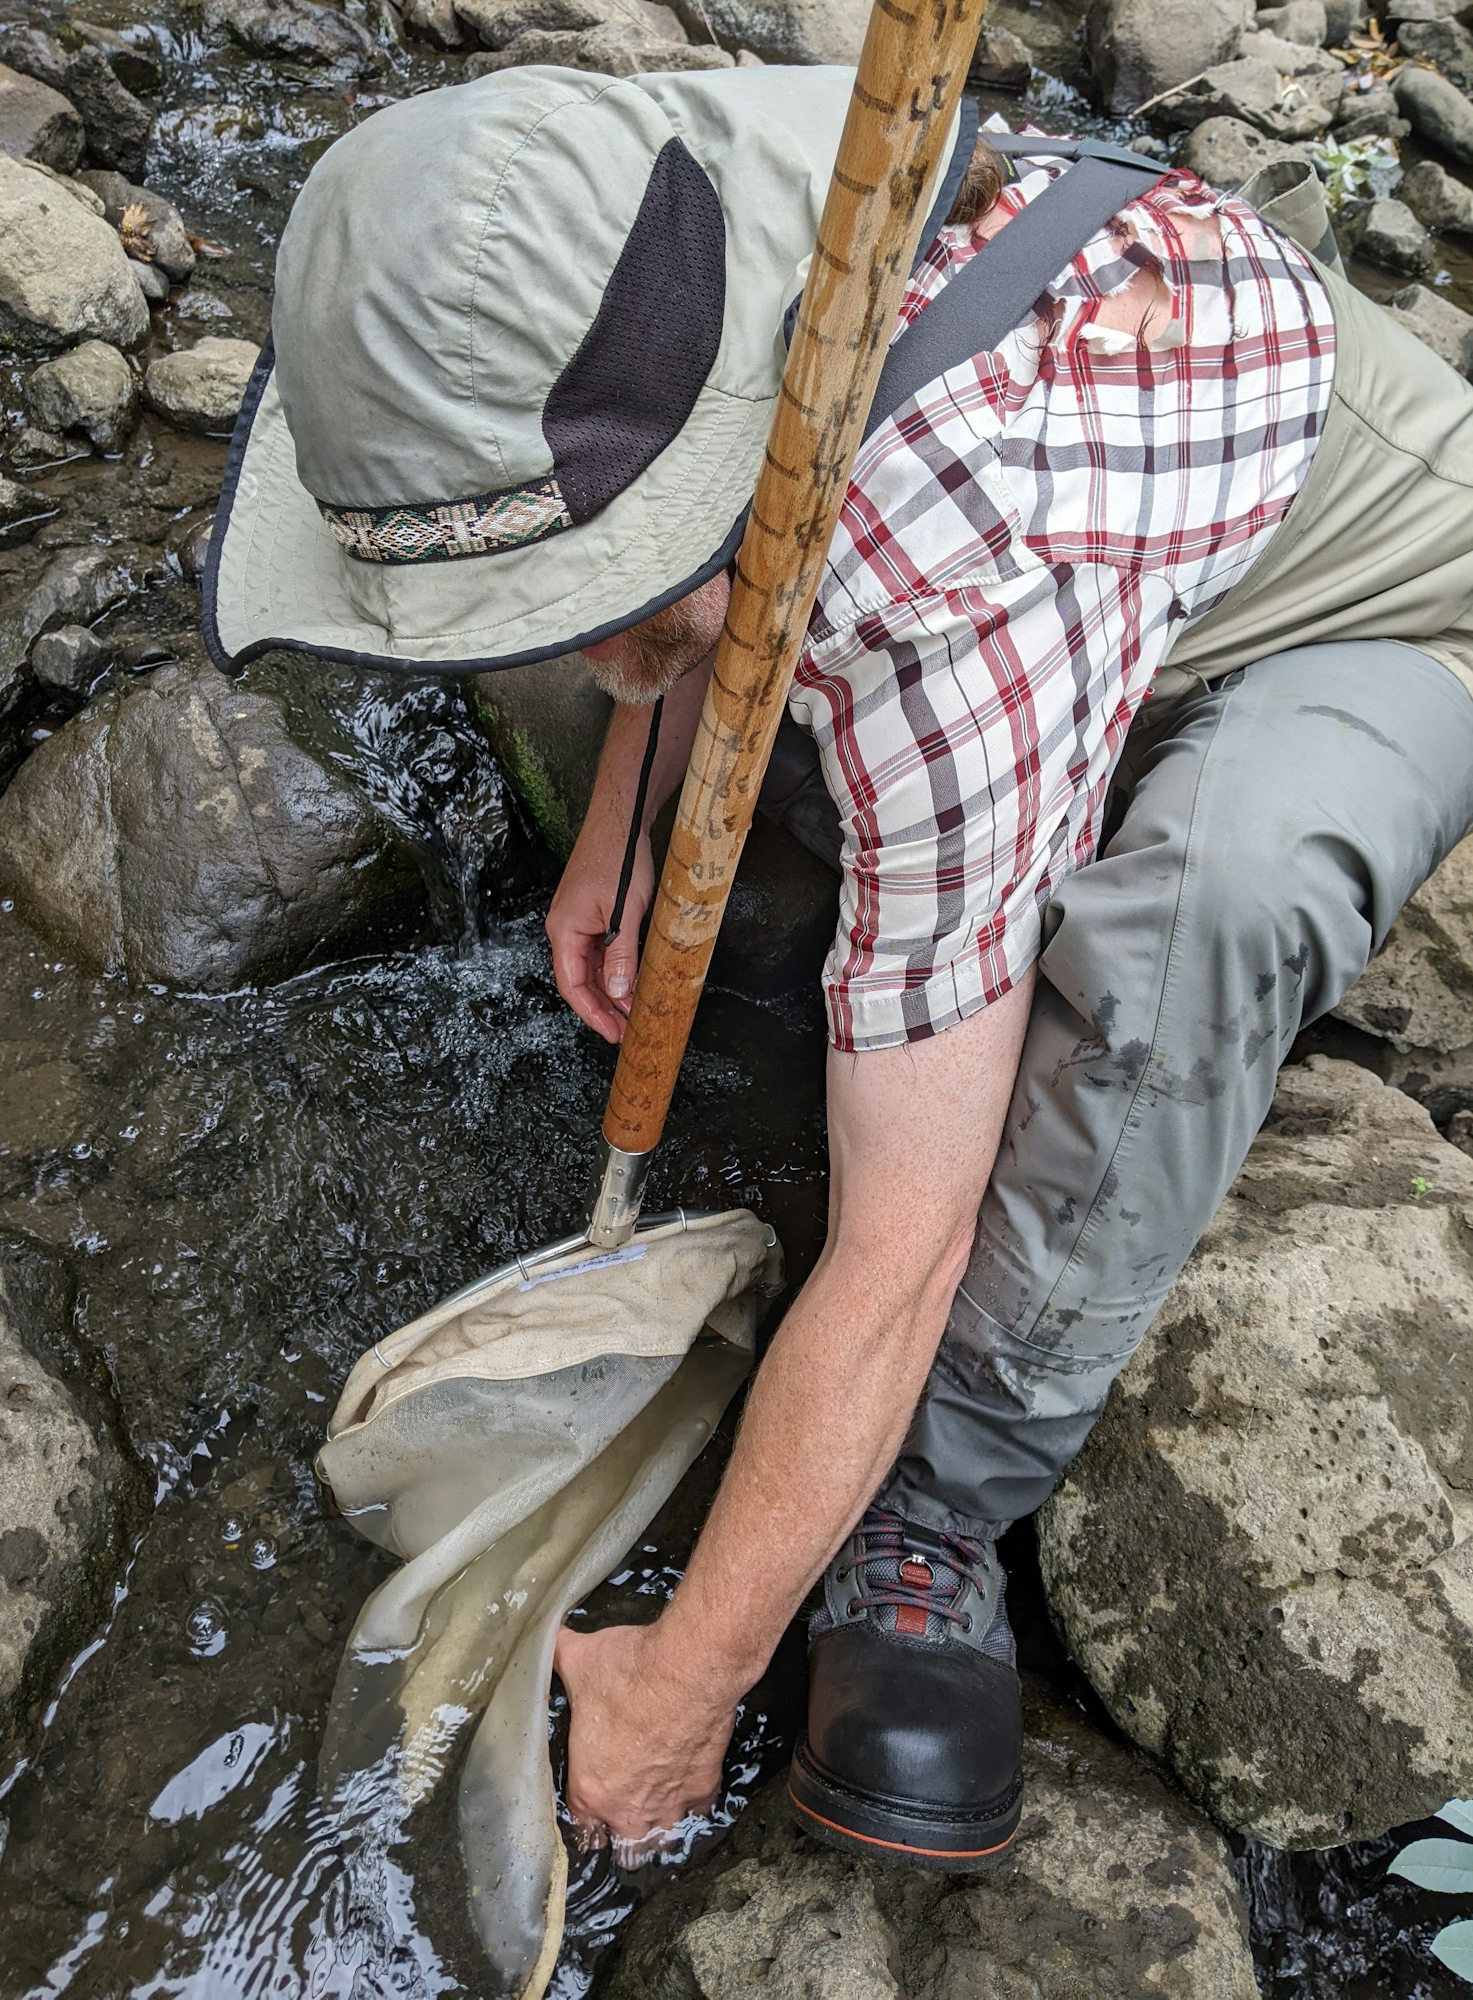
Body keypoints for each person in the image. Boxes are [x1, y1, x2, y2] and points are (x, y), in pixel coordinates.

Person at [205, 61, 1473, 1870]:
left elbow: (900, 1247)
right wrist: (619, 822)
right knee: (758, 727)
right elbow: (682, 558)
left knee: (1201, 907)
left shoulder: (957, 572)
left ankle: (937, 1513)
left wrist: (686, 1682)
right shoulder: (626, 191)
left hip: (1382, 591)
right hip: (1043, 538)